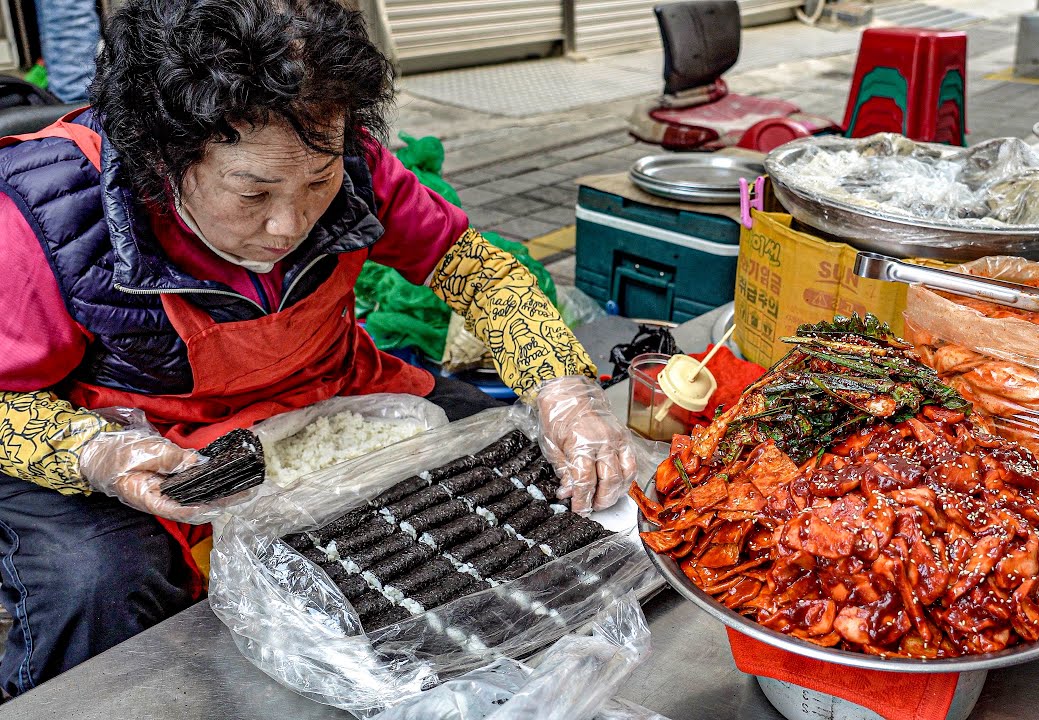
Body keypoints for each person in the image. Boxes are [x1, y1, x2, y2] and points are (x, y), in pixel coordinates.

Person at [0, 0, 636, 696]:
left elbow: (474, 268)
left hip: (326, 393)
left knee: (507, 461)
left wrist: (563, 391)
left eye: (316, 183)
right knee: (98, 581)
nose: (289, 224)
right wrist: (96, 454)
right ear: (161, 156)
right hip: (141, 440)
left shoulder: (348, 161)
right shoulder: (46, 220)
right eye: (253, 192)